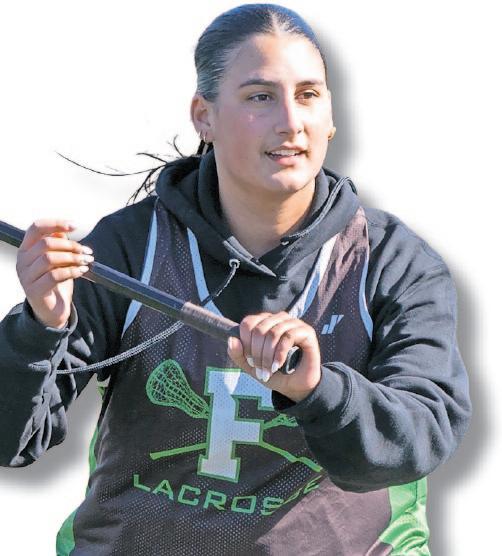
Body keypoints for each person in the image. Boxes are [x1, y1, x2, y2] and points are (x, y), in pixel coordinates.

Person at [0, 4, 471, 555]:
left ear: (331, 117)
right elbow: (13, 442)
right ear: (203, 116)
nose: (291, 121)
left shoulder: (395, 263)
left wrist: (317, 391)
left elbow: (419, 441)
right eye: (260, 97)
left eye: (308, 95)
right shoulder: (128, 246)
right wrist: (40, 325)